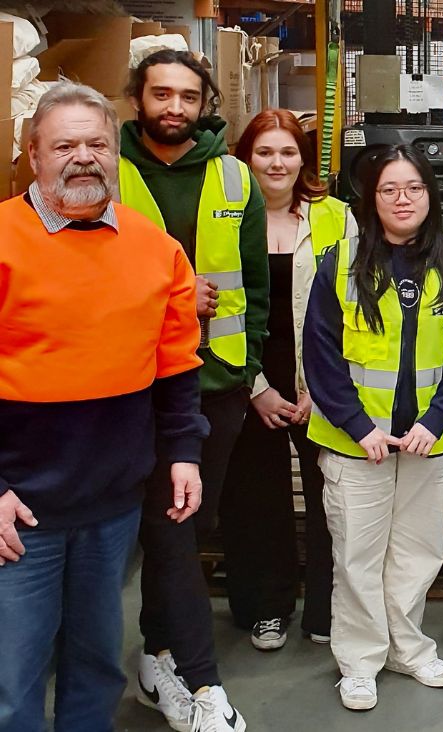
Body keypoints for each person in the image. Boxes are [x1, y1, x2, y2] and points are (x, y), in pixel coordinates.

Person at [0, 81, 206, 732]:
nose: (82, 157)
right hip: (20, 512)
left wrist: (182, 453)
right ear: (34, 156)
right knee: (14, 674)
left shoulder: (155, 250)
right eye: (64, 144)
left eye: (95, 143)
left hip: (113, 504)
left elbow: (176, 367)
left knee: (96, 664)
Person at [304, 144, 443, 711]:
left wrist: (436, 420)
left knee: (417, 552)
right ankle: (359, 661)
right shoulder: (342, 261)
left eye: (414, 188)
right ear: (371, 199)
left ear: (431, 195)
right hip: (359, 444)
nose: (402, 199)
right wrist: (360, 427)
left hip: (427, 442)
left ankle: (408, 647)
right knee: (357, 554)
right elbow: (321, 355)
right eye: (389, 189)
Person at [121, 49, 265, 731]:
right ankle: (200, 685)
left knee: (190, 527)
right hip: (135, 384)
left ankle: (156, 650)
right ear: (137, 99)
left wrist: (247, 365)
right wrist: (174, 299)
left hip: (216, 382)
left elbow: (255, 289)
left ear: (205, 103)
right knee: (171, 530)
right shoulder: (109, 172)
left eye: (187, 97)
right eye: (161, 95)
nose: (173, 108)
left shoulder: (235, 177)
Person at [223, 109, 356, 651]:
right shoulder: (226, 217)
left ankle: (326, 610)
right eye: (264, 152)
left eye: (288, 151)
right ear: (245, 158)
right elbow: (221, 311)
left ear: (304, 158)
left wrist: (316, 389)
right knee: (258, 500)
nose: (276, 163)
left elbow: (353, 309)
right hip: (248, 377)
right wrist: (258, 389)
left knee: (333, 497)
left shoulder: (336, 217)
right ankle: (267, 607)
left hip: (321, 379)